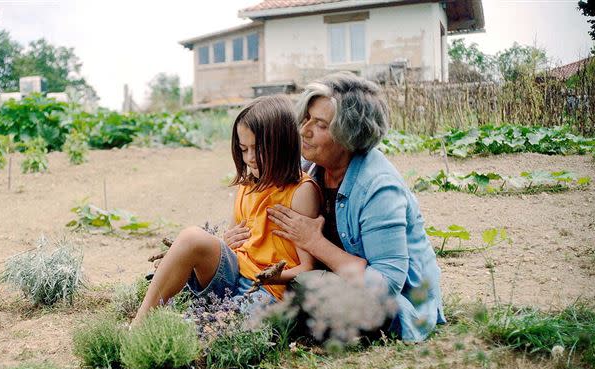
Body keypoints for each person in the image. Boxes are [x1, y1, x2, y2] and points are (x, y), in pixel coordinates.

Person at [254, 72, 445, 342]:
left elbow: (386, 286)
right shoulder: (310, 167)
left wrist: (313, 241)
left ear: (349, 134)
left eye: (320, 124)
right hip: (337, 279)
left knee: (304, 287)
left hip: (397, 304)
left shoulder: (380, 188)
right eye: (306, 118)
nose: (304, 130)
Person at [132, 95, 321, 325]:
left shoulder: (301, 191)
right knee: (192, 237)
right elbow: (234, 243)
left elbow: (307, 267)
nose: (250, 158)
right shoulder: (247, 184)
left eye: (258, 148)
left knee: (210, 331)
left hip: (267, 291)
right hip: (233, 274)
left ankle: (198, 323)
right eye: (244, 149)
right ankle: (139, 323)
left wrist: (275, 276)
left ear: (282, 144)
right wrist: (224, 243)